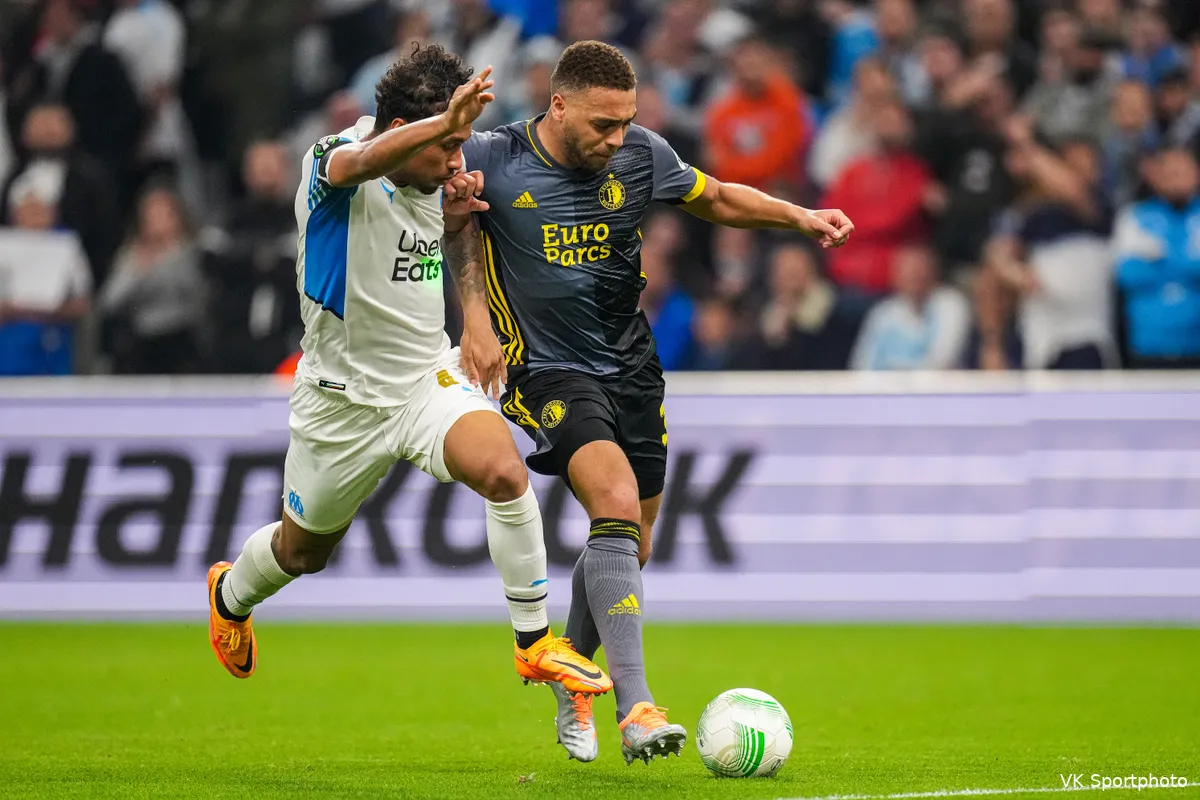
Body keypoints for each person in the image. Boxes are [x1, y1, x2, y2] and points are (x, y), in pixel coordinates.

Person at [454, 40, 853, 764]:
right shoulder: (494, 154)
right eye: (603, 124)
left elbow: (719, 198)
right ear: (559, 104)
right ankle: (636, 706)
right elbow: (454, 219)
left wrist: (801, 217)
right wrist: (475, 318)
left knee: (631, 543)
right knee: (610, 498)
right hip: (545, 369)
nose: (617, 139)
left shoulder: (640, 153)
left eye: (626, 122)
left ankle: (570, 671)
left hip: (632, 367)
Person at [205, 45, 611, 703]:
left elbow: (455, 227)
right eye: (446, 145)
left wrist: (475, 317)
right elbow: (362, 162)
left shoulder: (433, 173)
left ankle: (534, 644)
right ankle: (229, 595)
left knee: (505, 472)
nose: (457, 161)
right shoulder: (333, 162)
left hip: (425, 379)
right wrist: (441, 126)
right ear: (402, 133)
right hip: (339, 403)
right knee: (302, 553)